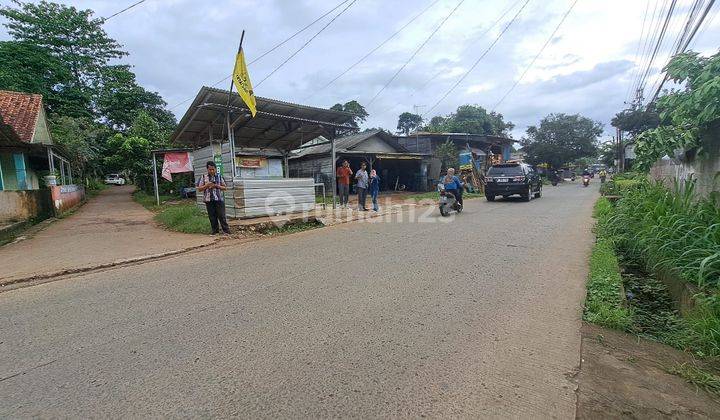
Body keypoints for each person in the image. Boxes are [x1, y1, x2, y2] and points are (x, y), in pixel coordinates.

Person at [196, 161, 230, 235]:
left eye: (213, 169)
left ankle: (226, 231)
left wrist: (216, 186)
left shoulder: (219, 176)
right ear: (207, 169)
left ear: (215, 169)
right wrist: (207, 185)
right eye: (210, 169)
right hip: (208, 200)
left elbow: (225, 188)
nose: (211, 171)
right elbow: (199, 189)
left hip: (219, 199)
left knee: (222, 216)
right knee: (212, 216)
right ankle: (215, 232)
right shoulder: (203, 177)